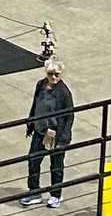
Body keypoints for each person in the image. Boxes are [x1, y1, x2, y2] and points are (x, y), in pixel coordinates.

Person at [21, 62, 74, 208]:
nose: (53, 77)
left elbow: (69, 116)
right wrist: (31, 123)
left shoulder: (64, 92)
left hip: (56, 133)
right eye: (50, 74)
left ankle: (56, 194)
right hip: (40, 131)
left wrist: (63, 138)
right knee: (33, 160)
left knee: (56, 164)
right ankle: (34, 192)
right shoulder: (41, 85)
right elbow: (36, 104)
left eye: (56, 74)